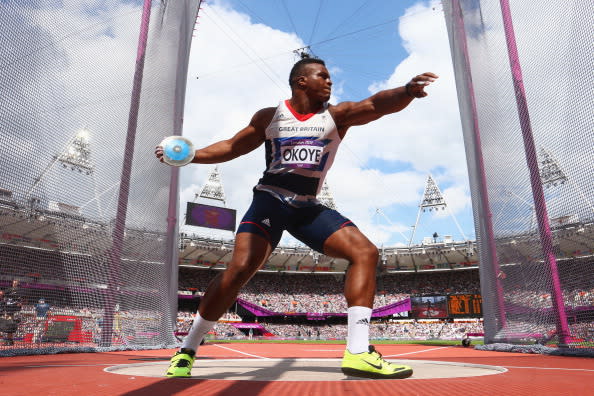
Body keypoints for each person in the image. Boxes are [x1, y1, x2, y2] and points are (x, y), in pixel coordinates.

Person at [156, 58, 438, 379]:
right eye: (324, 76)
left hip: (306, 207)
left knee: (365, 252)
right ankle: (188, 349)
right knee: (240, 269)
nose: (330, 82)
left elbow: (375, 104)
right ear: (301, 82)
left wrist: (407, 91)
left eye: (331, 76)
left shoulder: (336, 116)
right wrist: (191, 155)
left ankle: (359, 352)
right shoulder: (270, 117)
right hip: (270, 200)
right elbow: (233, 146)